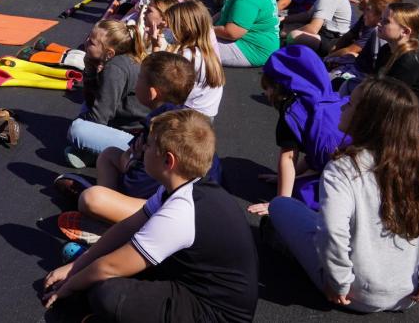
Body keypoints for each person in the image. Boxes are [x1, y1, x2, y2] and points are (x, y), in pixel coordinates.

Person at [268, 79, 419, 312]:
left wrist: (338, 282)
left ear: (366, 118)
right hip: (408, 293)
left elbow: (332, 230)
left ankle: (297, 257)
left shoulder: (343, 169)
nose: (342, 106)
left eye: (351, 103)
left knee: (280, 205)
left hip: (353, 293)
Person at [42, 109, 259, 322]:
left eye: (150, 144)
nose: (143, 147)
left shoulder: (181, 211)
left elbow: (111, 266)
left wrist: (69, 285)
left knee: (106, 293)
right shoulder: (180, 187)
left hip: (216, 312)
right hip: (196, 280)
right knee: (104, 273)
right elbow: (127, 226)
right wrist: (77, 266)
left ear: (168, 161)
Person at [65, 52, 198, 224]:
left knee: (91, 199)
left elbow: (136, 186)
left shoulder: (161, 135)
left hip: (170, 208)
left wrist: (129, 167)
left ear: (152, 93)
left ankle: (106, 225)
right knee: (109, 154)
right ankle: (109, 208)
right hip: (171, 193)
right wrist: (131, 159)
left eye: (140, 77)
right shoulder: (171, 117)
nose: (136, 82)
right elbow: (133, 154)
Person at [249, 46, 349, 215]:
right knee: (296, 181)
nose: (265, 93)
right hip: (355, 164)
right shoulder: (327, 98)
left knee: (301, 192)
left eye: (266, 88)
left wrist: (281, 203)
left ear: (278, 86)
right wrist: (289, 177)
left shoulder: (291, 114)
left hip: (342, 174)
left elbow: (288, 158)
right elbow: (314, 151)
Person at [67, 21, 148, 166]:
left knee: (76, 130)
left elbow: (99, 118)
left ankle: (112, 156)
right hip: (125, 124)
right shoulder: (119, 60)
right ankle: (96, 152)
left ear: (109, 53)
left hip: (136, 139)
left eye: (91, 42)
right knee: (85, 110)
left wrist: (85, 130)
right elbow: (93, 101)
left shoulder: (115, 69)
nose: (85, 42)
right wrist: (91, 72)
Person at [162, 0, 226, 119]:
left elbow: (169, 86)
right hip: (205, 112)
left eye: (170, 26)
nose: (167, 29)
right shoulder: (206, 50)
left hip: (189, 114)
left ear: (184, 28)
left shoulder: (188, 56)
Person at [368, 2, 419, 118]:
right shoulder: (386, 49)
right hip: (386, 108)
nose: (379, 23)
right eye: (381, 19)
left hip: (406, 121)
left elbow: (389, 99)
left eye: (386, 21)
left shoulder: (409, 61)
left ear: (405, 32)